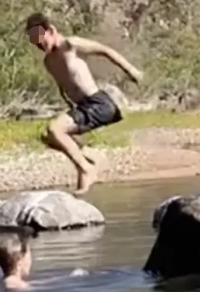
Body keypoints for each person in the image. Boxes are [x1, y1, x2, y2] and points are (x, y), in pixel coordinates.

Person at [25, 12, 142, 192]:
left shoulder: (70, 45)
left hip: (99, 104)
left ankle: (86, 167)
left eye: (42, 39)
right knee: (49, 137)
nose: (40, 45)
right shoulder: (49, 61)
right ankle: (88, 161)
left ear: (51, 30)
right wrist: (69, 108)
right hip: (82, 107)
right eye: (35, 43)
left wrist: (131, 70)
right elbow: (63, 87)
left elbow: (105, 50)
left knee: (54, 129)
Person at [0, 234, 88, 292]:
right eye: (28, 258)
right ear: (19, 262)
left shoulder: (7, 282)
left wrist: (68, 277)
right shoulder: (19, 287)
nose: (31, 262)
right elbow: (47, 291)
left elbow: (37, 284)